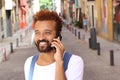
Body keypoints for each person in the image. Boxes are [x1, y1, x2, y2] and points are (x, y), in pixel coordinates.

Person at [24, 10, 84, 80]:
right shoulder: (29, 63)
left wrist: (59, 62)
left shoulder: (74, 62)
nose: (41, 37)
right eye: (37, 33)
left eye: (47, 33)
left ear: (58, 35)